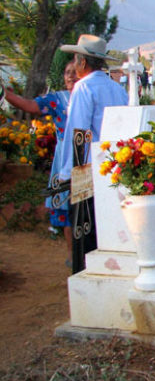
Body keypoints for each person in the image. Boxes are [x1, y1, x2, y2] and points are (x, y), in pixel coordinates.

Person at [59, 34, 128, 254]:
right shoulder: (116, 88)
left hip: (88, 171)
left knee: (86, 237)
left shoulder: (83, 88)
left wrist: (68, 174)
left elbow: (79, 133)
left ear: (83, 61)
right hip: (114, 167)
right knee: (109, 231)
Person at [4, 61, 78, 265]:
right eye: (67, 72)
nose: (70, 76)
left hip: (87, 155)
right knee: (66, 205)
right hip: (65, 157)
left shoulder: (88, 96)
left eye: (75, 72)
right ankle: (72, 254)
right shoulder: (57, 99)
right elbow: (31, 106)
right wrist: (7, 95)